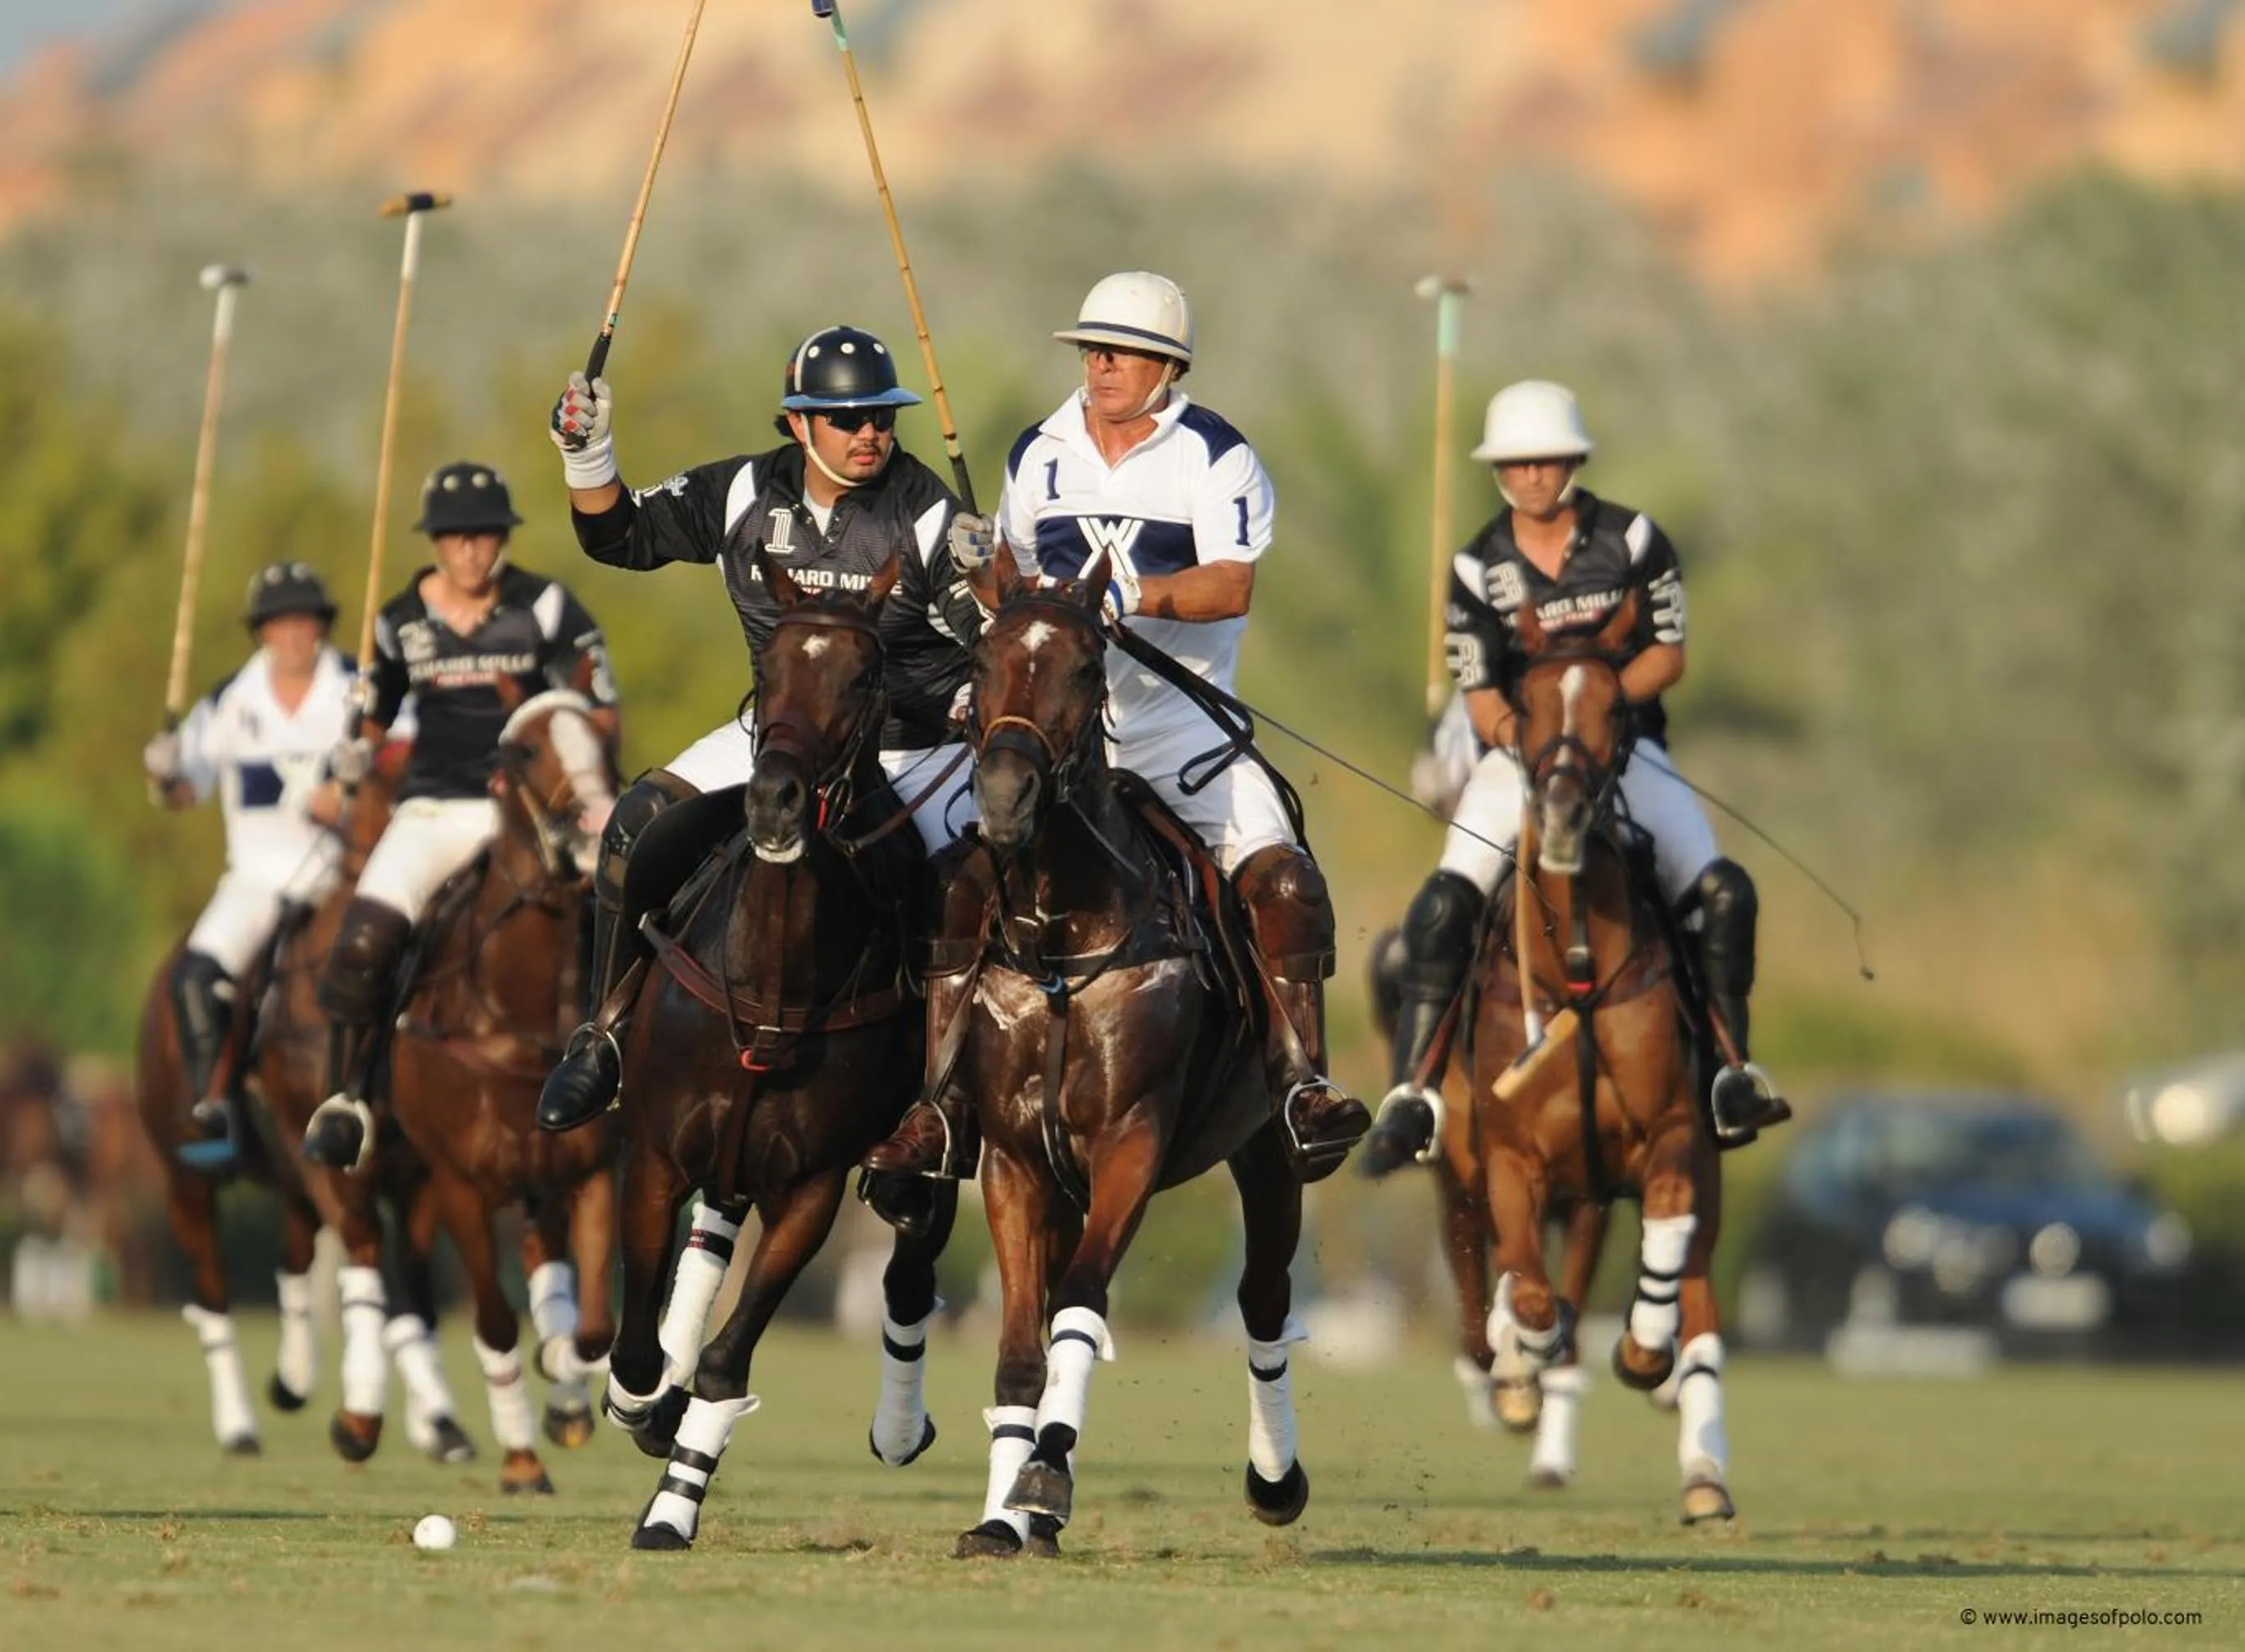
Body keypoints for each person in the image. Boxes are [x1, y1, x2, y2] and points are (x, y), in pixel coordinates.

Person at [863, 272, 1372, 1185]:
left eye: (1118, 351)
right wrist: (984, 568)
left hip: (1181, 730)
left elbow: (1232, 583)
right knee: (956, 884)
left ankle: (1300, 1083)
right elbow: (1015, 591)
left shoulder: (1216, 455)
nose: (1097, 365)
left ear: (1167, 365)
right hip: (1061, 743)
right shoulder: (1040, 449)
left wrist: (1141, 594)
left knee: (1285, 878)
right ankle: (937, 1105)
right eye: (1090, 349)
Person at [533, 325, 984, 1132]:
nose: (871, 432)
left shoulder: (925, 511)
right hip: (781, 737)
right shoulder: (744, 491)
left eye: (882, 415)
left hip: (916, 751)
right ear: (799, 424)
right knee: (637, 820)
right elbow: (619, 535)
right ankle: (603, 1036)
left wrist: (989, 582)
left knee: (959, 897)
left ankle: (938, 1104)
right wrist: (586, 454)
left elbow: (988, 633)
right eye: (848, 418)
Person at [1364, 380, 1789, 1170]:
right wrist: (1533, 740)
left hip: (1626, 755)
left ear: (1572, 462)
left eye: (1547, 461)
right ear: (1499, 472)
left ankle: (1731, 1071)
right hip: (1515, 762)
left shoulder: (1631, 542)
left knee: (1723, 892)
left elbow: (1669, 652)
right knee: (1441, 903)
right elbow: (1481, 690)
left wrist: (1591, 710)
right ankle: (1415, 1091)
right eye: (1517, 464)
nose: (1532, 477)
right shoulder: (1475, 565)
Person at [300, 463, 621, 1172]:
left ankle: (619, 1068)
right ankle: (347, 1097)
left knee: (615, 918)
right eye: (457, 538)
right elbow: (373, 718)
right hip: (435, 809)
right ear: (437, 544)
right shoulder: (396, 622)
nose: (473, 551)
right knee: (361, 942)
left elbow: (599, 707)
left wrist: (588, 780)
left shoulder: (545, 607)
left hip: (535, 817)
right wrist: (351, 756)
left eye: (486, 536)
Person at [143, 563, 359, 1170]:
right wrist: (163, 773)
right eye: (279, 624)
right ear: (262, 632)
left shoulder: (358, 686)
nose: (293, 636)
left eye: (304, 622)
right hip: (259, 877)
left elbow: (404, 763)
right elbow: (185, 792)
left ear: (320, 627)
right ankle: (214, 1102)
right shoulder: (229, 703)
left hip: (344, 875)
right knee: (193, 978)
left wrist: (353, 789)